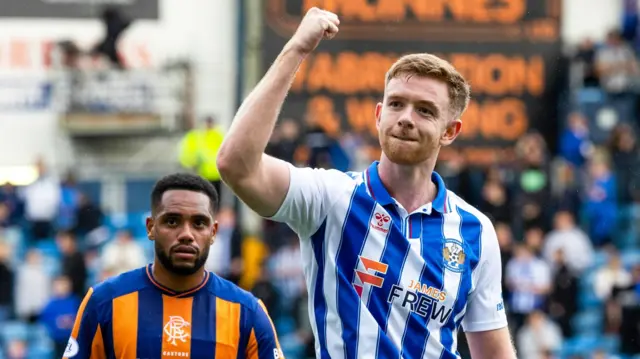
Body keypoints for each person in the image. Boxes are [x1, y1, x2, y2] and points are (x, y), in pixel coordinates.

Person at [217, 7, 515, 359]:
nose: (405, 118)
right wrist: (296, 49)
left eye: (425, 110)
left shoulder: (475, 231)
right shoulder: (330, 197)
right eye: (396, 104)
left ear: (450, 131)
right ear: (378, 115)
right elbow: (236, 164)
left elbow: (493, 352)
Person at [63, 173, 283, 359]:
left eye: (199, 223)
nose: (186, 234)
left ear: (213, 232)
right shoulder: (103, 302)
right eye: (172, 221)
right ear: (151, 227)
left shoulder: (247, 312)